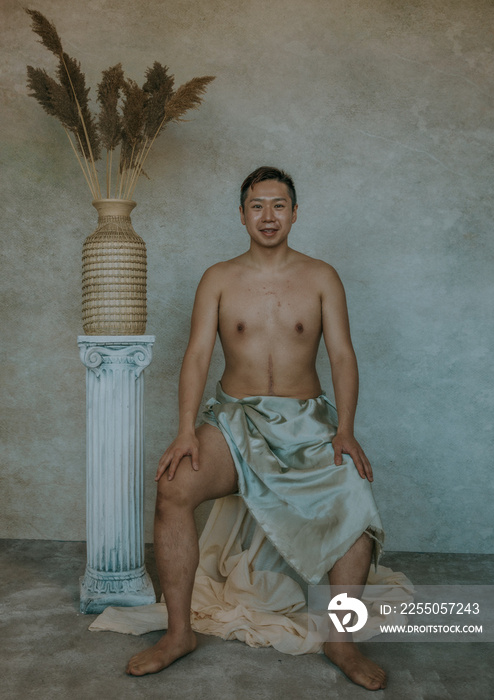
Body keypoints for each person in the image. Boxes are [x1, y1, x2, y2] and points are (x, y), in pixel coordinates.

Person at [126, 166, 387, 690]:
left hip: (308, 423)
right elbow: (198, 355)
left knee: (356, 502)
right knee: (172, 488)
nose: (268, 216)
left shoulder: (321, 277)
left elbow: (341, 355)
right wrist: (183, 431)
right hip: (235, 419)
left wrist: (347, 430)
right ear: (242, 213)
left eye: (279, 205)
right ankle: (179, 633)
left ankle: (342, 640)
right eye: (257, 205)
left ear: (295, 211)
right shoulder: (219, 278)